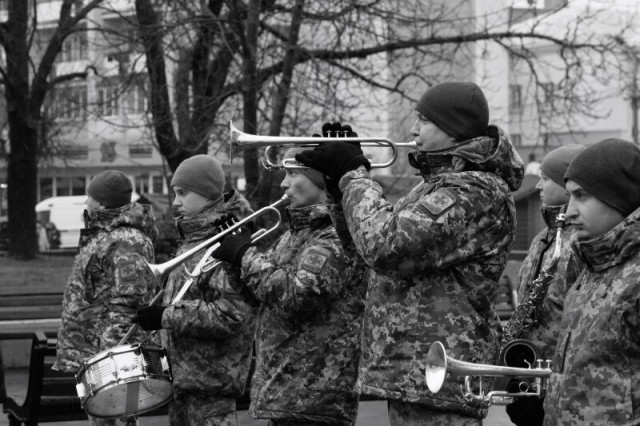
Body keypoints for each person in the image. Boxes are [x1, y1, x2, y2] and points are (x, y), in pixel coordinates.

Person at [295, 81, 525, 425]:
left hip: (442, 377)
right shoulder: (431, 186)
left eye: (424, 120)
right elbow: (363, 252)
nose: (413, 130)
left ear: (453, 128)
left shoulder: (475, 190)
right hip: (412, 373)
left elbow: (386, 247)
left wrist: (353, 175)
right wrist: (337, 191)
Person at [212, 147, 367, 426]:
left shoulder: (333, 236)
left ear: (320, 180)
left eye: (294, 173)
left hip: (314, 394)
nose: (284, 183)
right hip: (285, 393)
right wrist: (235, 260)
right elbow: (260, 299)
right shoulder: (291, 237)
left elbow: (298, 296)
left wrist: (245, 255)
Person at [132, 154, 257, 426]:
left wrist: (165, 315)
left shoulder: (227, 240)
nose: (175, 202)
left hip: (211, 387)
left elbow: (231, 315)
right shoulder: (192, 240)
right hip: (182, 383)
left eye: (183, 193)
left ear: (208, 194)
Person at [542, 138, 640, 425]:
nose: (569, 210)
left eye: (581, 195)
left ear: (618, 196)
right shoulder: (591, 266)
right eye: (569, 196)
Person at [53, 170, 158, 426]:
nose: (86, 201)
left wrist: (111, 359)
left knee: (116, 419)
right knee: (103, 420)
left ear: (101, 203)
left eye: (89, 196)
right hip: (95, 352)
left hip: (111, 359)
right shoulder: (106, 234)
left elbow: (128, 303)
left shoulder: (126, 240)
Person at [504, 145, 585, 426]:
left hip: (556, 380)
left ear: (568, 187)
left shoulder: (581, 243)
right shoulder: (542, 238)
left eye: (545, 178)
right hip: (529, 373)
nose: (538, 186)